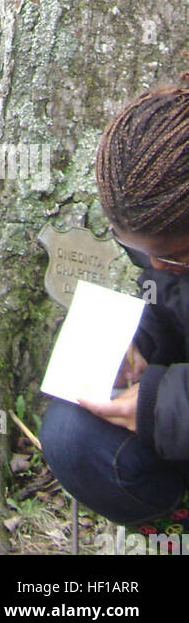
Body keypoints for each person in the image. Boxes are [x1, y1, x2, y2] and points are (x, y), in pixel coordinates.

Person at [41, 81, 189, 531]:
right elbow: (172, 300)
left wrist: (165, 405)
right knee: (73, 434)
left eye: (176, 256)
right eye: (140, 251)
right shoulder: (161, 200)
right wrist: (139, 338)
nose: (159, 265)